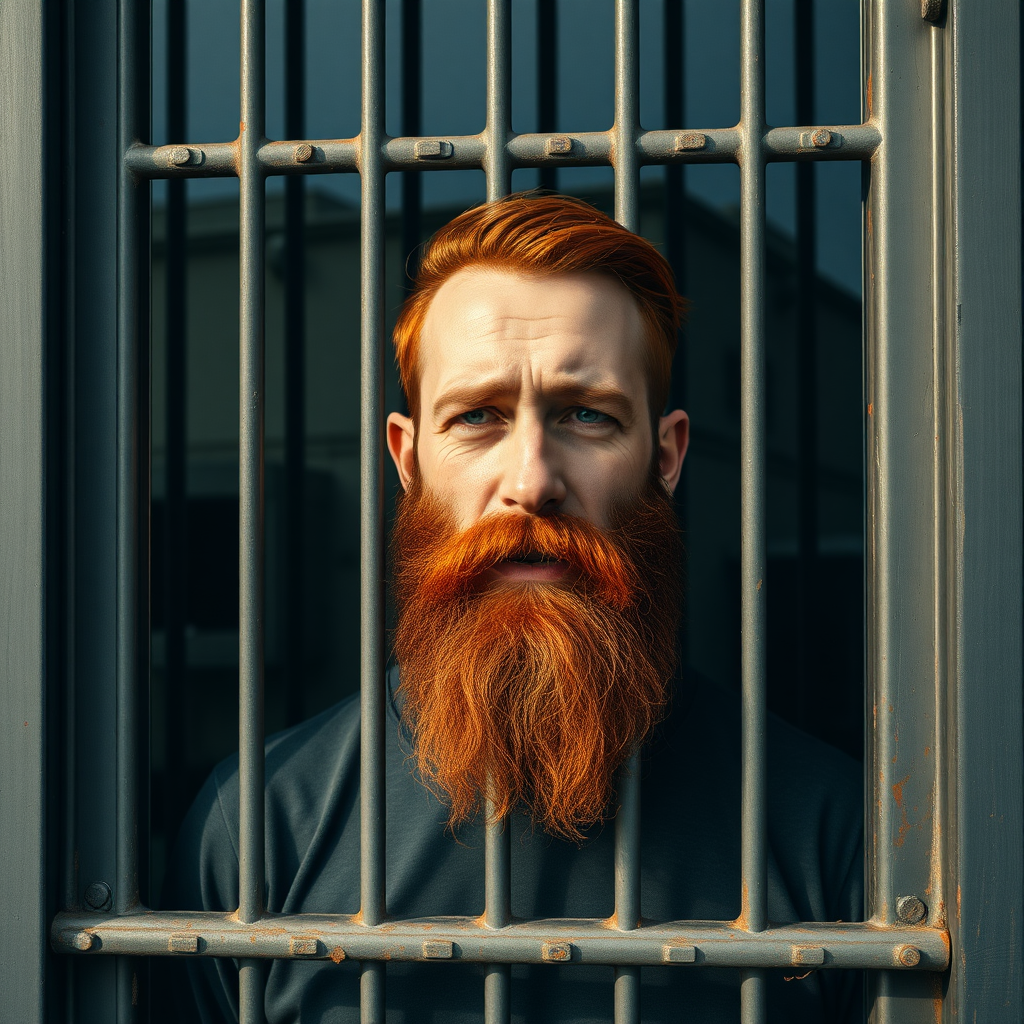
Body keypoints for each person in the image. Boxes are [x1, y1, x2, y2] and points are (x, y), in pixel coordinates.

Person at [162, 193, 862, 1022]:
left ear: (666, 456)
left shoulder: (829, 830)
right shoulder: (259, 826)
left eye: (587, 415)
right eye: (477, 417)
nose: (531, 481)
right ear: (409, 457)